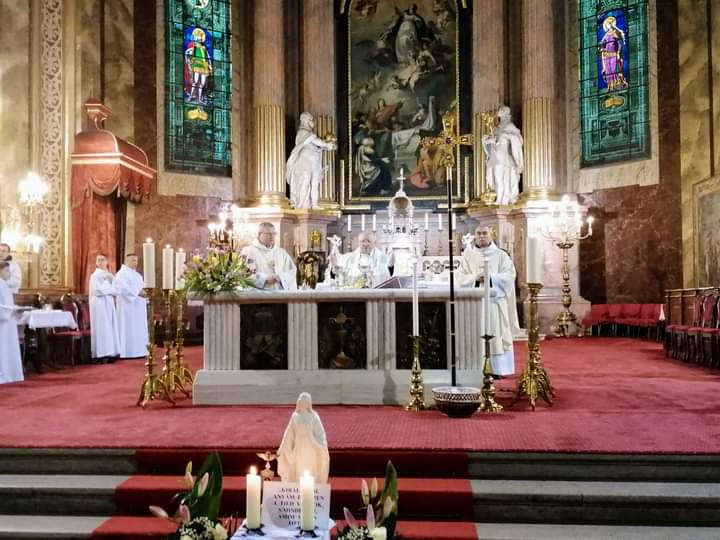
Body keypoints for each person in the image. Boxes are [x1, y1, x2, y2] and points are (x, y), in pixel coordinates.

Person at [457, 226, 517, 377]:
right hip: (474, 304)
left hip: (494, 303)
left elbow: (509, 276)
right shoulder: (468, 256)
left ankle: (497, 369)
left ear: (491, 236)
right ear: (475, 236)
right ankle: (476, 368)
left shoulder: (501, 255)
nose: (482, 236)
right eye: (478, 233)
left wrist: (491, 278)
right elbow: (459, 277)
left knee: (496, 334)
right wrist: (475, 278)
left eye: (485, 233)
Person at [286, 112, 337, 209]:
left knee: (315, 182)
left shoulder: (311, 134)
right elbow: (314, 141)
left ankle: (314, 204)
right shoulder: (302, 132)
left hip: (314, 160)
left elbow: (317, 144)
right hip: (305, 160)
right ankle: (301, 205)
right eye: (310, 120)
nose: (312, 122)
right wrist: (326, 145)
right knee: (305, 179)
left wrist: (326, 146)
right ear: (305, 120)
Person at [277, 392, 330, 484]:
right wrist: (283, 447)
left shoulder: (313, 416)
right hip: (299, 448)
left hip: (311, 447)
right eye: (301, 402)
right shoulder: (295, 416)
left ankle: (311, 486)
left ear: (309, 404)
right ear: (298, 403)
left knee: (310, 467)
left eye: (305, 402)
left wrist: (320, 445)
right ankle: (299, 485)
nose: (303, 404)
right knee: (300, 467)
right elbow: (289, 433)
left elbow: (320, 433)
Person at [482, 106, 523, 206]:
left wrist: (506, 135)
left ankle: (500, 199)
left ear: (506, 114)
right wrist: (488, 140)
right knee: (490, 177)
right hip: (494, 157)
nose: (499, 114)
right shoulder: (495, 128)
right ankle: (499, 197)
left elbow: (518, 140)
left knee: (499, 178)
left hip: (503, 157)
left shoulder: (510, 126)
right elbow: (488, 141)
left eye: (501, 112)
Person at [241, 223, 297, 290]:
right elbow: (244, 273)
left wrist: (281, 277)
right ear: (259, 234)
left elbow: (291, 271)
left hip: (279, 293)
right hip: (257, 293)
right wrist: (265, 279)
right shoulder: (248, 251)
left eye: (274, 234)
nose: (272, 237)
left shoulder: (282, 253)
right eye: (269, 234)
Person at [114, 253, 149, 359]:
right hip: (127, 306)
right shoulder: (121, 274)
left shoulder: (137, 275)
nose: (135, 263)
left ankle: (140, 350)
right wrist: (137, 292)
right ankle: (128, 352)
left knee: (138, 328)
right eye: (133, 260)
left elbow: (143, 289)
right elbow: (123, 288)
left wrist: (146, 295)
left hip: (138, 306)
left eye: (136, 260)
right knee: (128, 328)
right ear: (126, 261)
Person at [89, 254, 120, 363]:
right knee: (102, 328)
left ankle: (111, 352)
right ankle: (101, 354)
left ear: (107, 262)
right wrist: (108, 285)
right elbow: (98, 291)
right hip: (99, 305)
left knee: (110, 328)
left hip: (109, 303)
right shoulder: (94, 276)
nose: (101, 262)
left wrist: (109, 287)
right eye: (99, 260)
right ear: (96, 262)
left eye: (103, 260)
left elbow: (116, 290)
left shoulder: (109, 275)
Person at [0, 261, 23, 384]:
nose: (9, 273)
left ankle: (9, 373)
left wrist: (14, 309)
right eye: (7, 271)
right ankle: (4, 373)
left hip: (7, 322)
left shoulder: (4, 285)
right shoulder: (1, 284)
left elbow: (7, 304)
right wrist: (11, 311)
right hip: (3, 323)